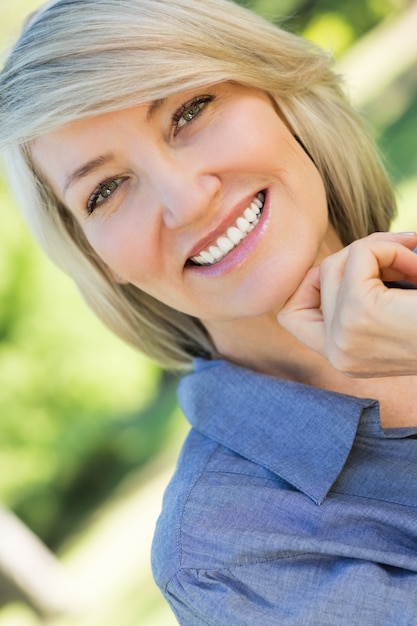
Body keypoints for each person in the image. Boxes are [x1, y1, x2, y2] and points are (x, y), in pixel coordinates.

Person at [2, 0, 417, 623]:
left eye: (188, 111)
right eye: (106, 190)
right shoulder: (226, 558)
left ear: (276, 91)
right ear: (100, 260)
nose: (187, 199)